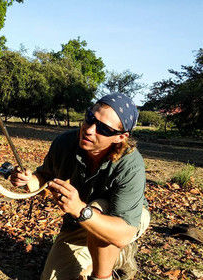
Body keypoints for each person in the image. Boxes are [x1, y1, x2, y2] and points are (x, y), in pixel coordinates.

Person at [10, 93, 150, 280]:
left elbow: (124, 232)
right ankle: (106, 255)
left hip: (124, 220)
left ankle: (105, 272)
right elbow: (45, 178)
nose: (90, 129)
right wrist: (28, 180)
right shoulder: (65, 143)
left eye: (104, 129)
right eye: (90, 118)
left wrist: (80, 210)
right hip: (80, 220)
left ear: (120, 137)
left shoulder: (131, 164)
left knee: (99, 211)